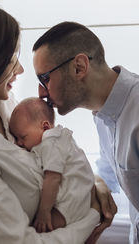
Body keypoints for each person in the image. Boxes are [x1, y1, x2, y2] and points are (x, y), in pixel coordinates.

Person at [0, 1, 100, 244]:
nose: (21, 69)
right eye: (11, 58)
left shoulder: (6, 105)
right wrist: (93, 216)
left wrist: (96, 183)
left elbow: (54, 151)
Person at [32, 20, 139, 243]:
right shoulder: (102, 116)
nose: (41, 92)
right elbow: (109, 174)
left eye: (44, 78)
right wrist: (97, 181)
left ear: (79, 66)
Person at [9, 97, 95, 233]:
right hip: (79, 197)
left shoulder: (51, 142)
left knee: (40, 229)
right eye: (16, 138)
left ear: (45, 127)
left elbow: (53, 178)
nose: (19, 143)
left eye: (23, 137)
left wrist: (44, 212)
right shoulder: (55, 139)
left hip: (72, 201)